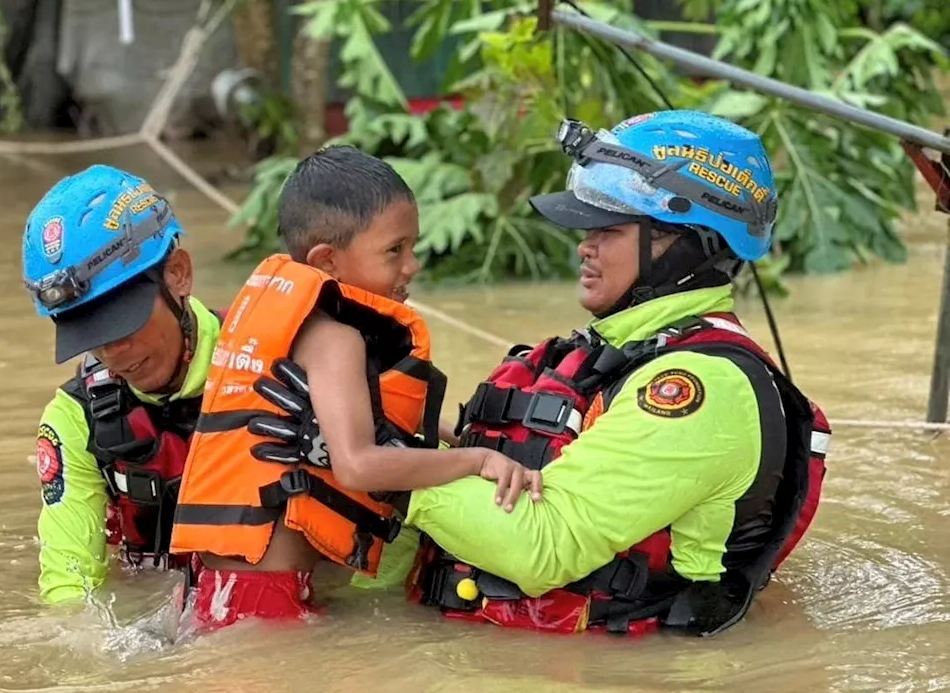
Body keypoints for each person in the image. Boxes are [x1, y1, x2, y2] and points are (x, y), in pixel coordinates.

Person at [258, 110, 832, 636]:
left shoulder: (702, 390)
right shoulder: (599, 354)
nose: (584, 248)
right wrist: (376, 439)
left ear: (682, 243)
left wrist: (374, 466)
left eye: (607, 230)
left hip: (612, 687)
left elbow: (545, 547)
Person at [168, 145, 535, 632]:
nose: (413, 266)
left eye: (412, 246)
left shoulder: (290, 326)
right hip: (266, 598)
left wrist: (447, 433)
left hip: (212, 587)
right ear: (328, 261)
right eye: (394, 250)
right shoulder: (336, 340)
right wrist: (480, 460)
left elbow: (332, 420)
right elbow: (358, 464)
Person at [21, 165, 232, 604]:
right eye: (91, 335)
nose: (112, 351)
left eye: (123, 324)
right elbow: (69, 585)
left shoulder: (276, 369)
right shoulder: (77, 419)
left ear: (177, 274)